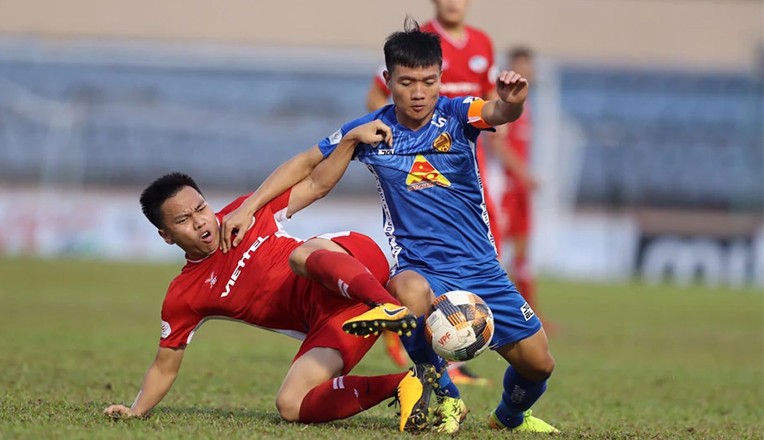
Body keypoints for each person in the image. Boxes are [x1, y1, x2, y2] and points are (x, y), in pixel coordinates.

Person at [222, 20, 558, 434]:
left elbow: (497, 111)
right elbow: (309, 168)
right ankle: (447, 398)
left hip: (481, 269)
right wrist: (252, 207)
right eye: (407, 82)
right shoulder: (371, 130)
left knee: (539, 365)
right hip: (420, 267)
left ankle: (508, 417)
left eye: (428, 81)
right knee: (406, 293)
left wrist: (513, 102)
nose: (418, 92)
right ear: (388, 80)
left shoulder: (457, 114)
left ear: (440, 80)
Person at [102, 121, 442, 434]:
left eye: (201, 209)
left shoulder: (243, 212)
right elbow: (164, 367)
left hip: (351, 261)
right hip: (339, 319)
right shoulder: (184, 295)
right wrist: (136, 411)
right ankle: (406, 382)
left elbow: (316, 182)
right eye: (184, 221)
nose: (201, 222)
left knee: (300, 256)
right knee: (291, 404)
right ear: (166, 236)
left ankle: (387, 305)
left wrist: (349, 139)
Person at [366, 0, 502, 381]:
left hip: (464, 166)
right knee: (424, 266)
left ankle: (455, 340)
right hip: (422, 168)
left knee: (488, 247)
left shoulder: (482, 44)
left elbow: (491, 104)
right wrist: (399, 146)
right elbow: (376, 98)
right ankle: (427, 346)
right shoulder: (419, 44)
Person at [494, 46, 542, 318]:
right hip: (503, 187)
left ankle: (531, 312)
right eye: (519, 68)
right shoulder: (505, 105)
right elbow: (498, 144)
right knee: (497, 251)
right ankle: (496, 311)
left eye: (528, 68)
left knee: (523, 250)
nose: (525, 73)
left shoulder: (528, 106)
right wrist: (523, 174)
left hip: (520, 188)